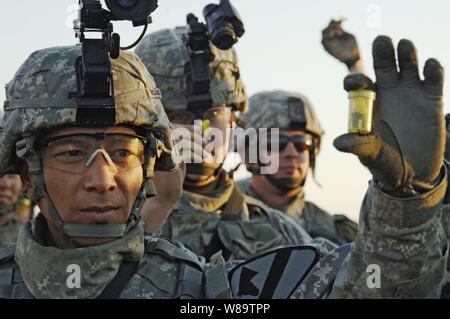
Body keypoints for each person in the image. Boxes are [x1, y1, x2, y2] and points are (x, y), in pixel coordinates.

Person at [135, 27, 318, 261]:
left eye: (214, 115)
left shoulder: (279, 233)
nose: (201, 131)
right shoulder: (107, 217)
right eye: (181, 116)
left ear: (233, 118)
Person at [236, 90, 357, 245]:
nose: (292, 153)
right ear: (248, 154)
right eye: (277, 143)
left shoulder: (338, 233)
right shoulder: (216, 217)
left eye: (301, 143)